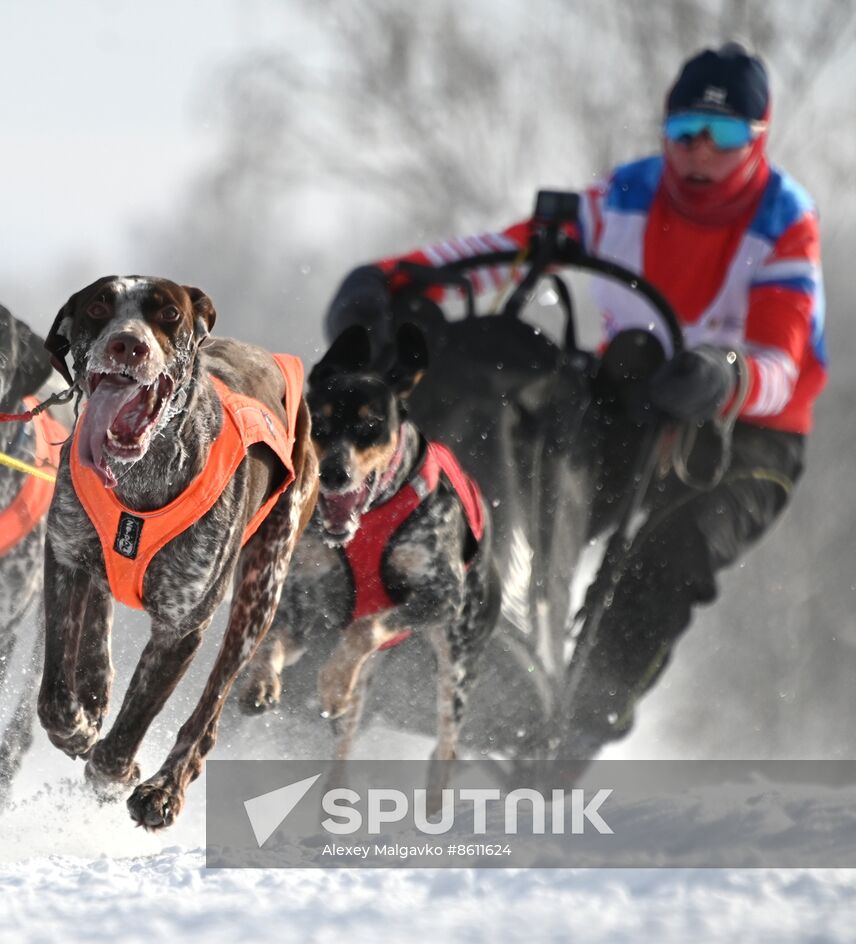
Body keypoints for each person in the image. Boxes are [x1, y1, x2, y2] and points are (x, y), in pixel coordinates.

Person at [324, 43, 826, 757]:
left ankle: (578, 729)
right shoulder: (626, 196)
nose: (701, 155)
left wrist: (726, 373)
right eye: (687, 133)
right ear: (665, 132)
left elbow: (783, 360)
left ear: (759, 141)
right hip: (642, 398)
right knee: (506, 384)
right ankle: (452, 590)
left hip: (751, 433)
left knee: (667, 559)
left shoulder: (783, 220)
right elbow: (504, 252)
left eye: (725, 138)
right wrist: (384, 282)